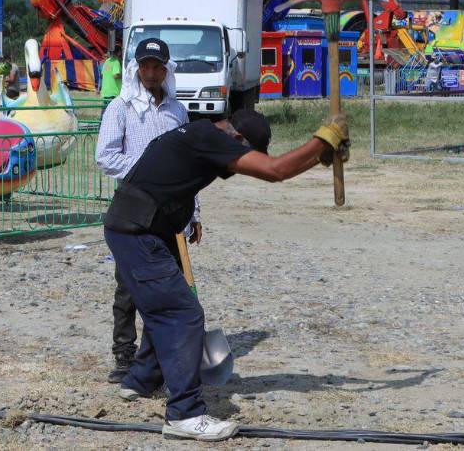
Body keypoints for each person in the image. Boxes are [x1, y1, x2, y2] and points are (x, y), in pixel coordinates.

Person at [104, 107, 349, 441]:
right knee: (181, 314)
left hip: (140, 225)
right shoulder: (210, 138)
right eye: (245, 152)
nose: (241, 161)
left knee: (164, 302)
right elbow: (275, 170)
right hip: (139, 231)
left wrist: (320, 154)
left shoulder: (201, 134)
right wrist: (324, 137)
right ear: (236, 138)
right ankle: (184, 414)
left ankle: (142, 379)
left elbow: (276, 169)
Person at [96, 38, 191, 384]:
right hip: (133, 211)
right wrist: (148, 170)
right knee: (129, 287)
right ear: (136, 69)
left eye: (157, 66)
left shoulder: (177, 112)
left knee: (169, 287)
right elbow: (105, 156)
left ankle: (160, 356)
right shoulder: (121, 108)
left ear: (166, 70)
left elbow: (187, 167)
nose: (151, 72)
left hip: (169, 213)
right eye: (145, 66)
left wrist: (194, 213)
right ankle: (124, 356)